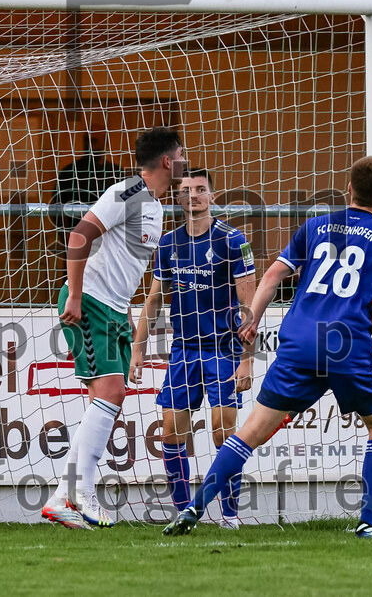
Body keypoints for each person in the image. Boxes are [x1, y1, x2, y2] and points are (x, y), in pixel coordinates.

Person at [163, 155, 372, 540]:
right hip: (346, 345)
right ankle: (367, 522)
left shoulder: (315, 225)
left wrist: (252, 319)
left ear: (349, 189)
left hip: (299, 341)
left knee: (250, 432)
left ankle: (194, 507)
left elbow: (273, 274)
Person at [41, 127, 186, 529]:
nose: (185, 161)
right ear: (167, 161)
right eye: (181, 155)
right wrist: (74, 295)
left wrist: (125, 313)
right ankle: (80, 493)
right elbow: (79, 236)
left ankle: (64, 497)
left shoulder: (155, 206)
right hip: (90, 302)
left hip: (115, 310)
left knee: (107, 399)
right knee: (111, 392)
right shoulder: (128, 193)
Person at [129, 169, 257, 529]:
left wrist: (247, 360)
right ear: (178, 198)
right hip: (183, 350)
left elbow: (248, 306)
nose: (194, 195)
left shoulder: (232, 240)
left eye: (201, 189)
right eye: (186, 190)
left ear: (212, 196)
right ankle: (185, 513)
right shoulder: (169, 243)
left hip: (223, 349)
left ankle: (229, 514)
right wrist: (138, 349)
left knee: (222, 432)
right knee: (171, 433)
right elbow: (154, 299)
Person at [51, 130, 124, 232]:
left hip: (109, 235)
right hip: (79, 234)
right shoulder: (70, 172)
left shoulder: (116, 172)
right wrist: (66, 236)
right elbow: (56, 207)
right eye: (86, 140)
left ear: (105, 142)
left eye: (94, 141)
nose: (89, 145)